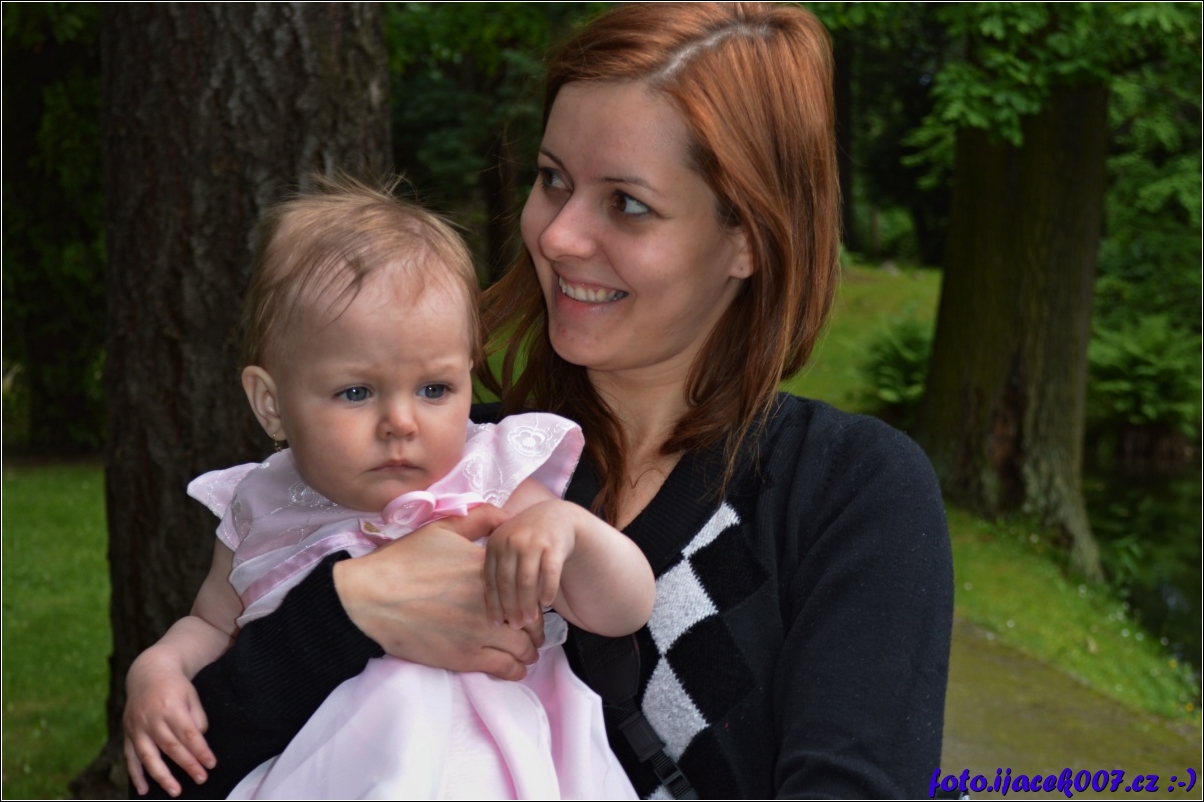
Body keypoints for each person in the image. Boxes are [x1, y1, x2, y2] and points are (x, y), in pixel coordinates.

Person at [140, 3, 953, 798]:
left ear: (747, 238)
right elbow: (177, 778)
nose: (557, 236)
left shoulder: (844, 490)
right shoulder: (446, 459)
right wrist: (348, 612)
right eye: (553, 179)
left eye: (626, 203)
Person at [122, 177, 653, 799]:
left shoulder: (491, 480)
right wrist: (159, 668)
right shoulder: (260, 510)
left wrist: (570, 532)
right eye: (356, 392)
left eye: (434, 389)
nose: (401, 422)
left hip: (491, 765)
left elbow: (623, 611)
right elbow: (212, 627)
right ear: (271, 404)